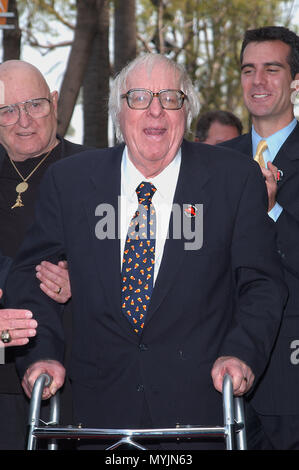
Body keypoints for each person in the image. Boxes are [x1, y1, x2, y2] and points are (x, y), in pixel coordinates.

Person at [5, 53, 287, 450]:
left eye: (170, 98)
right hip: (96, 419)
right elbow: (30, 276)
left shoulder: (234, 179)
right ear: (119, 112)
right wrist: (42, 355)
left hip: (201, 418)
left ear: (186, 110)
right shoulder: (69, 182)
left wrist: (241, 354)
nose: (155, 111)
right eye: (138, 97)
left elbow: (262, 284)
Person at [0, 59, 88, 449]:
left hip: (75, 376)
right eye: (7, 110)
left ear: (54, 103)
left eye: (34, 104)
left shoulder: (97, 170)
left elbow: (142, 269)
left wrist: (84, 280)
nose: (23, 121)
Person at [220, 26, 299, 450]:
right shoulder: (215, 163)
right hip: (216, 377)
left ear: (296, 80)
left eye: (272, 69)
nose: (258, 81)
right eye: (249, 70)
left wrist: (268, 212)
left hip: (290, 376)